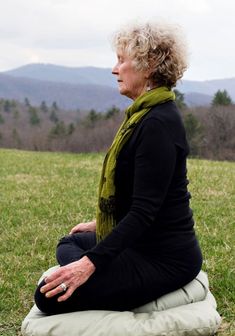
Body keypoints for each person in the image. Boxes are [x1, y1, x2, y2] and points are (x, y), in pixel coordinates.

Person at [35, 21, 202, 314]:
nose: (114, 69)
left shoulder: (158, 124)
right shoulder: (143, 115)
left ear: (148, 65)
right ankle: (106, 276)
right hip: (140, 243)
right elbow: (140, 198)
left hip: (164, 257)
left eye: (121, 60)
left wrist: (89, 264)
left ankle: (109, 281)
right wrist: (103, 226)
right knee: (70, 242)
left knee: (46, 297)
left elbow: (144, 211)